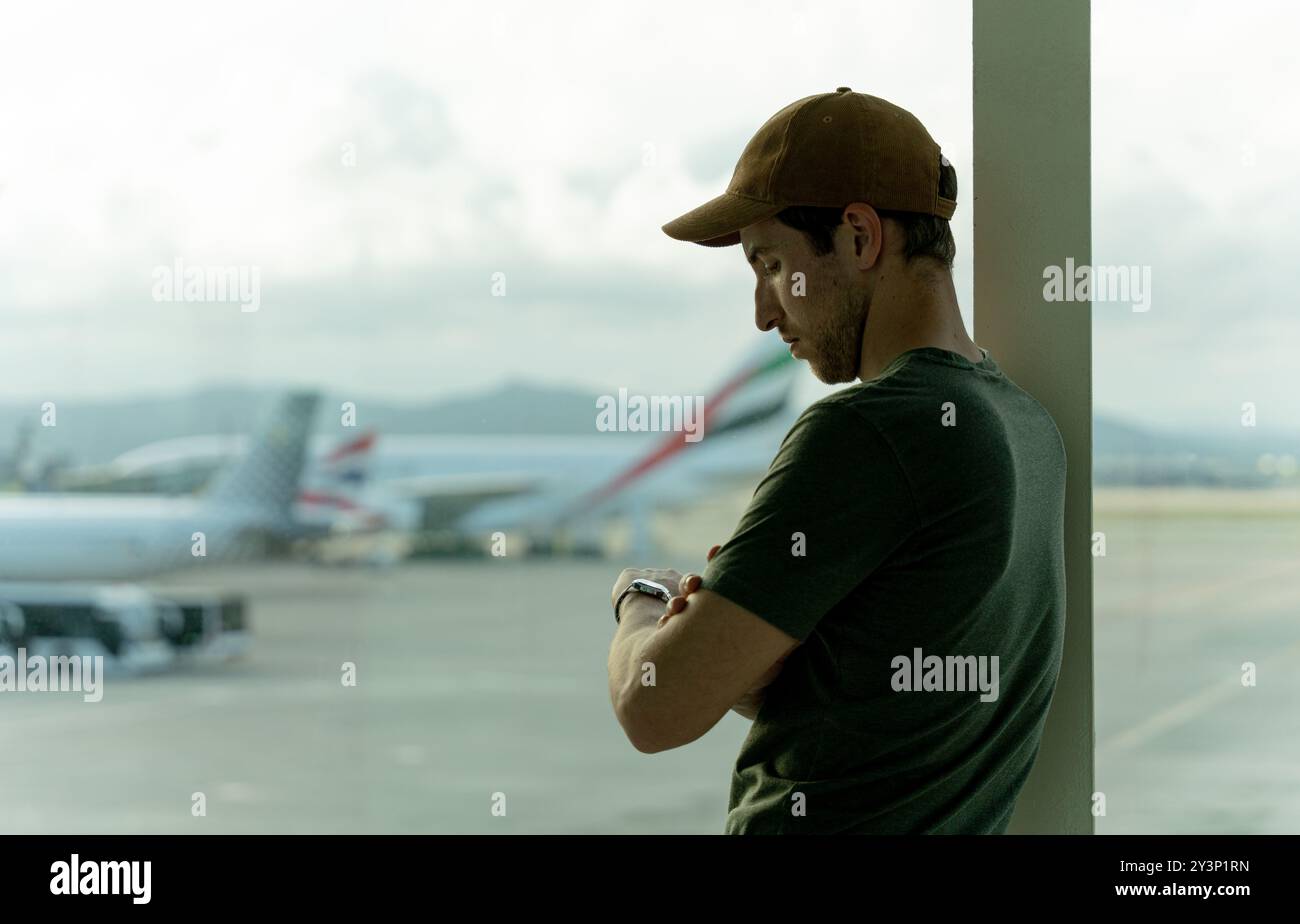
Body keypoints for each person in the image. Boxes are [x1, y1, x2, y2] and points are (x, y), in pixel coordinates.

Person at [606, 87, 1067, 834]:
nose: (763, 311)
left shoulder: (867, 433)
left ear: (858, 237)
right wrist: (758, 647)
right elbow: (887, 696)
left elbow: (652, 708)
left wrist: (643, 598)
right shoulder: (1029, 429)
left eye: (771, 264)